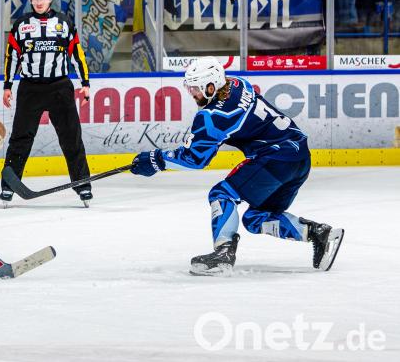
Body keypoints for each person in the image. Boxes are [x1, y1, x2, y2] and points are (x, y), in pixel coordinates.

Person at [128, 58, 344, 276]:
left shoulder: (212, 117)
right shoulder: (238, 84)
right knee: (256, 218)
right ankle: (318, 233)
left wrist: (155, 160)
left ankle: (223, 254)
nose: (191, 93)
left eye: (195, 88)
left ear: (211, 86)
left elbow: (196, 159)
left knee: (222, 194)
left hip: (276, 158)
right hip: (300, 158)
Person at [1, 0, 92, 207]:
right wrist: (7, 85)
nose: (38, 2)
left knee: (71, 137)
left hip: (59, 87)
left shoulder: (64, 23)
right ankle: (9, 185)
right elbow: (12, 57)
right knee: (20, 138)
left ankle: (83, 184)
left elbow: (76, 54)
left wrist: (85, 82)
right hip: (30, 88)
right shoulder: (21, 25)